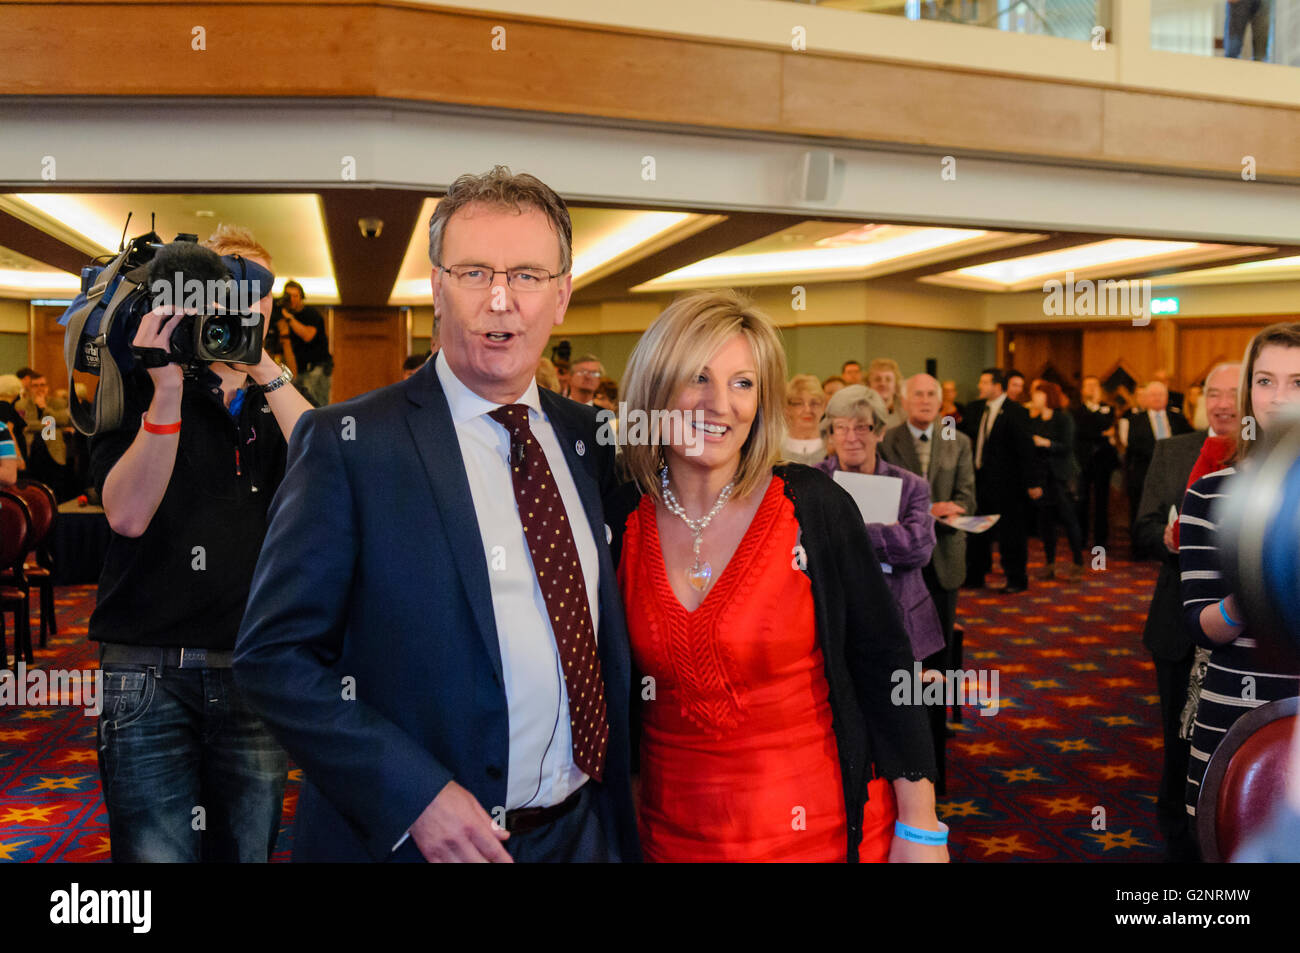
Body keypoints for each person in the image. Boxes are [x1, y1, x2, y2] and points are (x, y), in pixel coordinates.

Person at [234, 166, 639, 863]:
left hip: (582, 831)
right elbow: (272, 658)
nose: (502, 300)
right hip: (416, 845)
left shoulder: (593, 441)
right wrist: (412, 793)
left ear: (563, 295)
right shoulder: (348, 445)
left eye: (529, 275)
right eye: (475, 272)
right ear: (436, 287)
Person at [609, 290, 946, 863]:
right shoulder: (619, 516)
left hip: (818, 831)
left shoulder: (812, 506)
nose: (719, 404)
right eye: (698, 378)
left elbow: (884, 662)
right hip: (670, 836)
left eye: (743, 383)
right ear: (655, 389)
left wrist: (921, 828)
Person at [91, 225, 311, 862]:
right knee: (154, 857)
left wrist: (263, 365)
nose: (239, 308)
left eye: (256, 295)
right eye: (224, 289)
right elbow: (128, 517)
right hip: (147, 668)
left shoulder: (282, 400)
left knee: (247, 850)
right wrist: (166, 391)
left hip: (256, 666)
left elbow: (331, 479)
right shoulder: (135, 382)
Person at [1181, 324, 1300, 823]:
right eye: (1265, 380)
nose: (1279, 398)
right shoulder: (1209, 494)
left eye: (1299, 382)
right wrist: (1257, 587)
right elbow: (1204, 626)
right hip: (1238, 702)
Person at [1134, 361, 1241, 863]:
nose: (1221, 403)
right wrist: (1164, 537)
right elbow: (1144, 526)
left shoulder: (1274, 457)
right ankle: (1178, 840)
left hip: (1251, 632)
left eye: (1232, 393)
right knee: (1179, 735)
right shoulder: (1174, 450)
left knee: (1240, 738)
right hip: (1177, 620)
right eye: (1212, 393)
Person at [881, 373, 976, 792]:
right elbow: (880, 499)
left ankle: (935, 764)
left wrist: (955, 508)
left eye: (931, 394)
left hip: (944, 566)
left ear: (942, 400)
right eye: (917, 393)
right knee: (901, 662)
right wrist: (923, 510)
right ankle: (900, 760)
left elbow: (970, 496)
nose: (924, 400)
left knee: (937, 669)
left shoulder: (959, 439)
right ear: (904, 399)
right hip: (900, 567)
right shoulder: (886, 439)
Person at [962, 367, 1043, 593]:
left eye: (984, 382)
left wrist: (1033, 482)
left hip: (1009, 484)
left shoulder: (1016, 412)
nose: (980, 386)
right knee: (977, 529)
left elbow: (1026, 449)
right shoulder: (975, 409)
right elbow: (960, 434)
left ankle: (1016, 579)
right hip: (979, 481)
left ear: (998, 387)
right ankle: (975, 574)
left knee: (1011, 534)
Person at [1121, 380, 1192, 538]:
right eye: (1153, 395)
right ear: (1145, 398)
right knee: (1140, 509)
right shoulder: (1135, 420)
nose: (1157, 398)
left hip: (1174, 474)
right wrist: (1160, 456)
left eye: (1161, 395)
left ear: (1166, 398)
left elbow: (1188, 442)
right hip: (1144, 472)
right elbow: (1133, 445)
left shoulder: (1177, 418)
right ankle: (1139, 547)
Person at [1028, 381, 1084, 580]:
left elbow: (1067, 447)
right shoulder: (1033, 419)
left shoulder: (1063, 418)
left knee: (1069, 520)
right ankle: (1049, 563)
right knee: (1045, 522)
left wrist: (1045, 443)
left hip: (1062, 476)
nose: (1034, 398)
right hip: (1043, 477)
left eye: (1038, 394)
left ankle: (1078, 562)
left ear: (1047, 396)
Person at [1072, 375, 1119, 551]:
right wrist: (1101, 433)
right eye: (1088, 385)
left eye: (1095, 385)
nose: (1091, 389)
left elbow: (1107, 425)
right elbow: (1082, 431)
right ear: (1082, 390)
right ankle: (1081, 538)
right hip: (1083, 461)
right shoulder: (1076, 410)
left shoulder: (1107, 408)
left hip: (1103, 461)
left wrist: (1097, 415)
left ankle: (1101, 541)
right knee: (1081, 501)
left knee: (1102, 502)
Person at [273, 280, 332, 406]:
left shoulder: (311, 314)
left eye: (295, 296)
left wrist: (289, 318)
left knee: (317, 405)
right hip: (297, 370)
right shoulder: (281, 316)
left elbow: (308, 336)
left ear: (301, 297)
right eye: (289, 296)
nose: (292, 299)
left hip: (316, 369)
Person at [16, 370, 74, 499]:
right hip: (31, 450)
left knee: (56, 489)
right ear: (29, 388)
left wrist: (44, 408)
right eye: (35, 385)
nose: (39, 389)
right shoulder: (21, 405)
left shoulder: (58, 403)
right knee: (33, 490)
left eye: (42, 385)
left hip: (53, 450)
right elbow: (25, 425)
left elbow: (64, 420)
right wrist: (51, 424)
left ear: (47, 387)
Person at [781, 374, 827, 464]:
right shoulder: (774, 449)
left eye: (814, 403)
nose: (807, 410)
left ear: (824, 407)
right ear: (787, 408)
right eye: (799, 403)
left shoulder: (834, 447)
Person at [866, 358, 904, 428]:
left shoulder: (905, 415)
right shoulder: (860, 413)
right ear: (869, 385)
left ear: (896, 386)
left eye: (888, 379)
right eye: (878, 379)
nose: (883, 384)